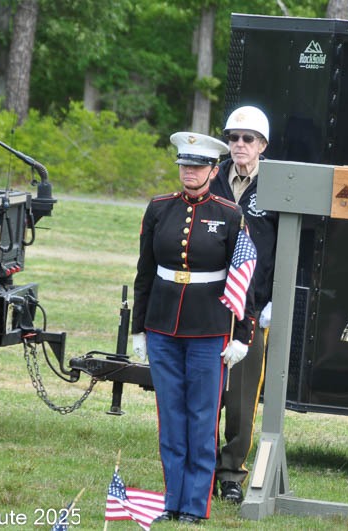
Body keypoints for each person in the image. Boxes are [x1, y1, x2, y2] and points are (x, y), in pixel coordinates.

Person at [131, 132, 255, 525]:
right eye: (185, 165)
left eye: (198, 166)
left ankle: (194, 506)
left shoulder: (230, 214)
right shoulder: (159, 209)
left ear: (213, 170)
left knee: (202, 417)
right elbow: (145, 273)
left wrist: (242, 335)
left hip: (208, 329)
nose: (190, 172)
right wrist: (138, 329)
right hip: (163, 326)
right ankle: (172, 500)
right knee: (171, 417)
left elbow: (244, 279)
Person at [209, 105, 278, 504]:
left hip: (253, 308)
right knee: (206, 394)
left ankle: (231, 473)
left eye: (248, 139)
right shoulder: (211, 176)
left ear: (262, 145)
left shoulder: (278, 184)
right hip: (207, 303)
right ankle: (201, 469)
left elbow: (292, 244)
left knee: (240, 399)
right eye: (233, 138)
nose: (239, 144)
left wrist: (275, 299)